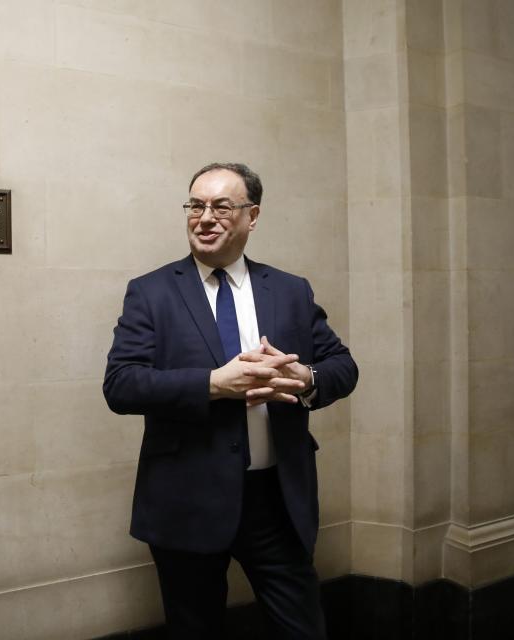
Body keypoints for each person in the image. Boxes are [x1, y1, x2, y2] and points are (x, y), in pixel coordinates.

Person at [104, 162, 358, 639]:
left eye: (221, 206)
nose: (205, 217)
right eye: (195, 205)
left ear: (252, 215)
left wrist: (305, 378)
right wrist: (214, 384)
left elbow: (343, 367)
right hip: (187, 498)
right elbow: (121, 384)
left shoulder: (289, 291)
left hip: (276, 501)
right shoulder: (151, 292)